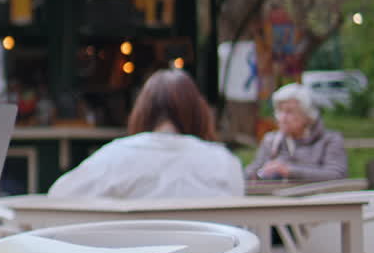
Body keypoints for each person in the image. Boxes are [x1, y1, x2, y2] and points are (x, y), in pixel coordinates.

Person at [48, 69, 244, 198]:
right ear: (199, 113)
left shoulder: (115, 156)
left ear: (141, 112)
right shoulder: (224, 162)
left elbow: (58, 196)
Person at [245, 82, 348, 182]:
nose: (282, 118)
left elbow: (337, 175)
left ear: (308, 115)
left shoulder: (329, 140)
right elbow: (251, 172)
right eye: (280, 111)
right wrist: (257, 174)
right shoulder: (271, 140)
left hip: (316, 198)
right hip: (273, 197)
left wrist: (289, 171)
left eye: (289, 111)